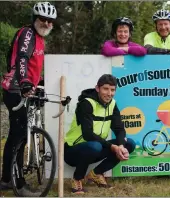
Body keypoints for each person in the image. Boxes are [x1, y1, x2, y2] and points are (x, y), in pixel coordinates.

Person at [0, 2, 57, 196]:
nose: (47, 23)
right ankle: (18, 183)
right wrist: (25, 82)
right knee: (19, 137)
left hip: (25, 89)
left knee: (18, 137)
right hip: (15, 89)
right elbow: (22, 58)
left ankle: (7, 179)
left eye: (50, 21)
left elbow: (33, 67)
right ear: (34, 19)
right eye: (43, 19)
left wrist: (38, 82)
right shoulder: (28, 34)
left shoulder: (41, 38)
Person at [64, 74, 136, 194]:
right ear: (97, 88)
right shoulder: (86, 103)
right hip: (73, 151)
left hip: (95, 148)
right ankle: (77, 179)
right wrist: (112, 147)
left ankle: (96, 174)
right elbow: (87, 134)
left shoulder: (112, 104)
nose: (109, 93)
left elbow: (119, 129)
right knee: (95, 146)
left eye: (112, 90)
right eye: (106, 89)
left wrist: (121, 146)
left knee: (129, 144)